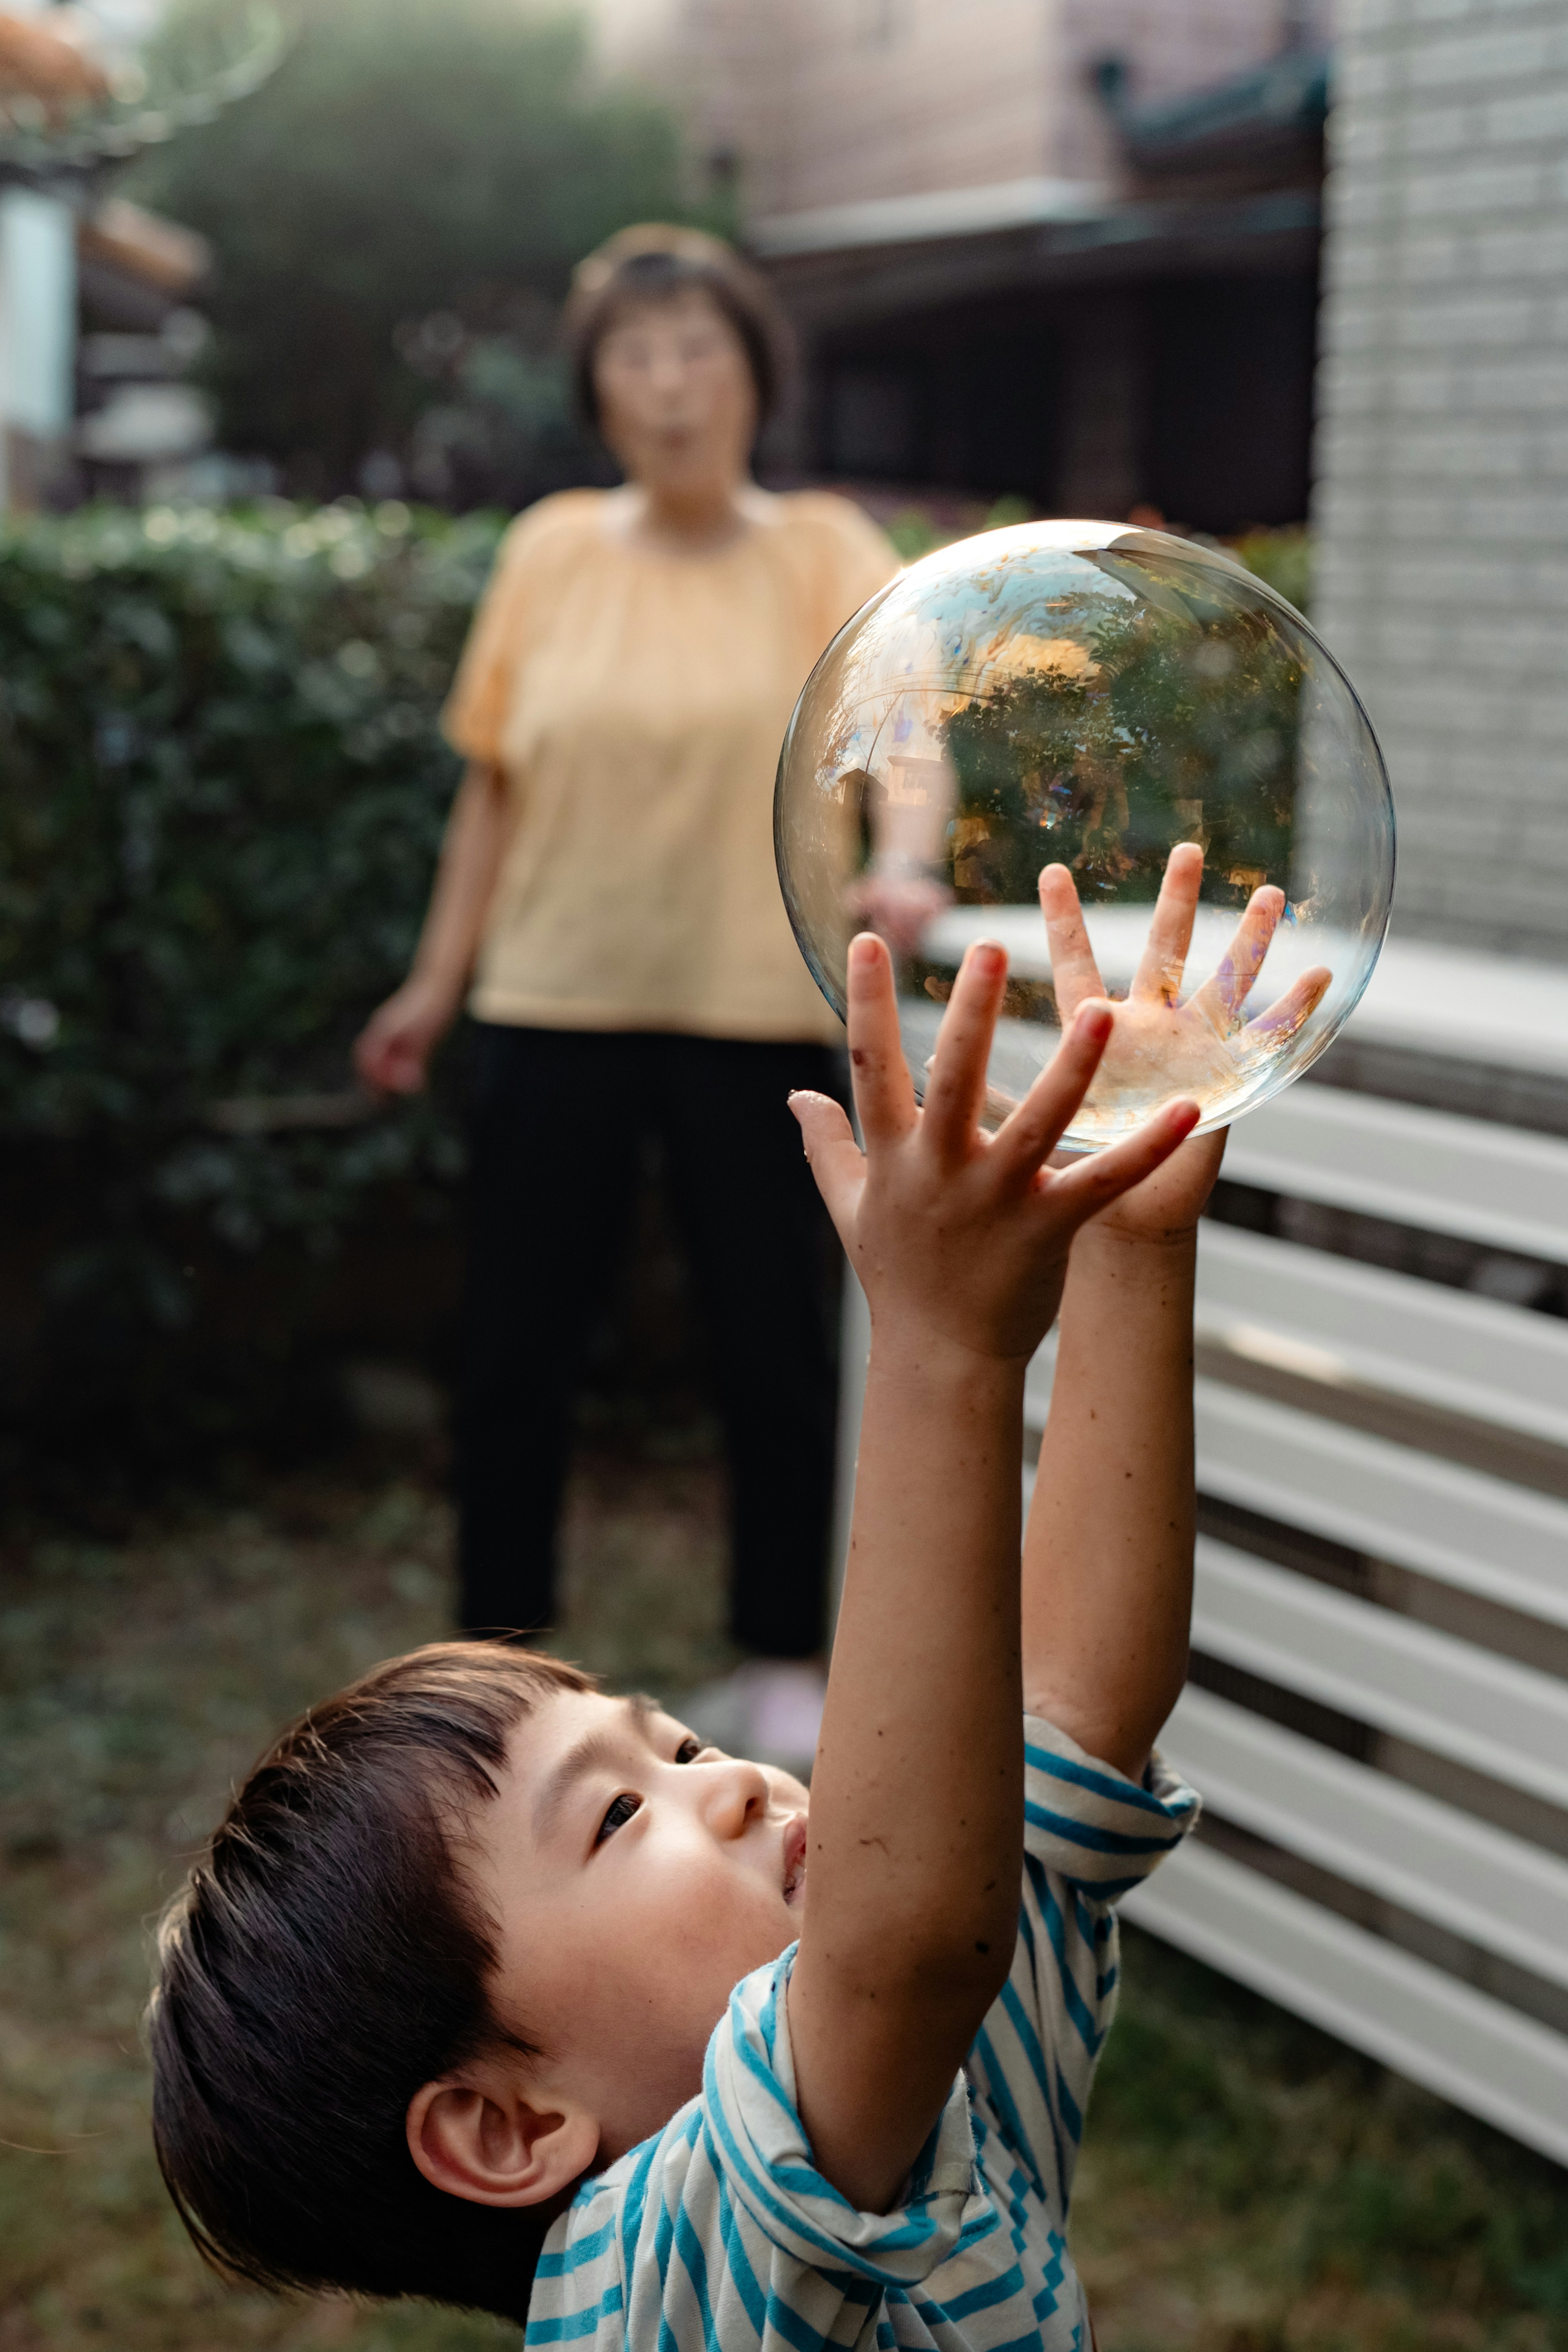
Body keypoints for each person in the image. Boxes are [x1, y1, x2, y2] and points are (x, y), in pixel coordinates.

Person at [149, 853, 1234, 2350]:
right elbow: (900, 1946)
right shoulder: (654, 2295)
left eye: (667, 1749)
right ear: (508, 2127)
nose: (721, 1786)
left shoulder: (938, 2080)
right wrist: (943, 1355)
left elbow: (1072, 1712)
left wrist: (1133, 1232)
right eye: (611, 1819)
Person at [353, 226, 900, 1764]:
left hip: (757, 1009)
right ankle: (488, 1680)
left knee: (771, 1350)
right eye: (638, 356)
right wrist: (433, 981)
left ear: (755, 374)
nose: (671, 385)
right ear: (599, 388)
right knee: (516, 1344)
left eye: (700, 350)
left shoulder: (823, 550)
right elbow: (493, 794)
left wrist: (902, 869)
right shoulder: (547, 553)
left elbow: (903, 743)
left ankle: (784, 1659)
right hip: (555, 1000)